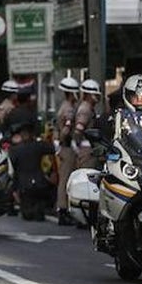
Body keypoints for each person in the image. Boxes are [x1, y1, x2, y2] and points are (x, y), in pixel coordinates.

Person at [8, 121, 55, 221]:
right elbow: (52, 148)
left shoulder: (15, 150)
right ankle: (39, 209)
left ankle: (31, 210)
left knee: (27, 212)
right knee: (38, 204)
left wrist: (14, 188)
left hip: (24, 184)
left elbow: (13, 169)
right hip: (39, 182)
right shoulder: (39, 146)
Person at [54, 76, 81, 226]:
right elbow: (66, 129)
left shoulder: (63, 105)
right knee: (66, 180)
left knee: (64, 179)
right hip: (67, 147)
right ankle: (63, 210)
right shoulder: (69, 109)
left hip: (63, 147)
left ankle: (63, 209)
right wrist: (66, 140)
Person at [74, 79, 101, 169]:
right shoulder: (85, 110)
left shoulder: (89, 108)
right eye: (95, 94)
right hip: (86, 149)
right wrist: (78, 148)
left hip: (90, 148)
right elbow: (78, 130)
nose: (97, 97)